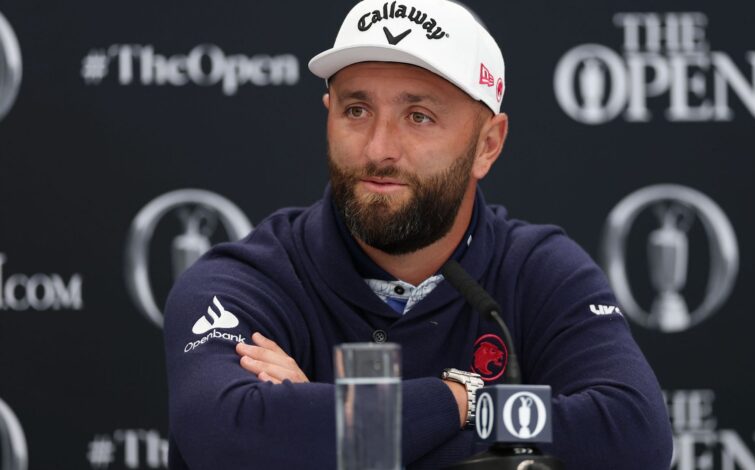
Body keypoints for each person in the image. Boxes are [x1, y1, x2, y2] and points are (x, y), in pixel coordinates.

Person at [163, 0, 673, 468]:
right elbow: (225, 436)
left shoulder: (539, 270)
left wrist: (321, 427)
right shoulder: (247, 279)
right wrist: (461, 400)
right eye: (356, 110)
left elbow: (632, 435)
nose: (378, 148)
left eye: (419, 116)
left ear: (487, 145)